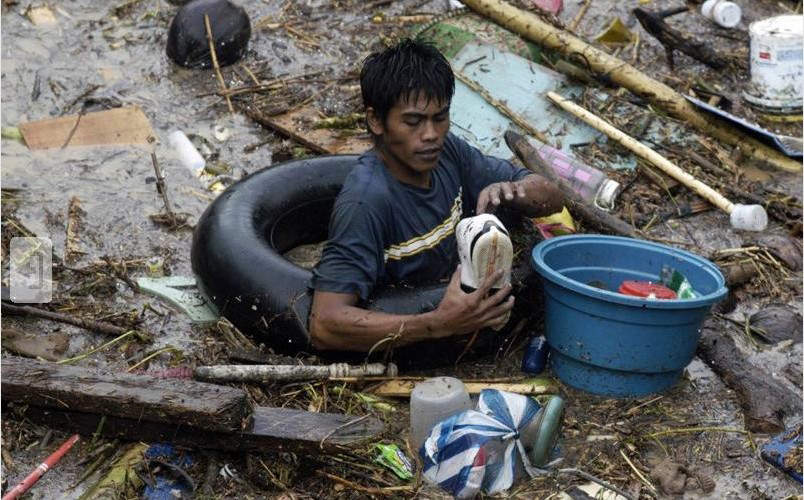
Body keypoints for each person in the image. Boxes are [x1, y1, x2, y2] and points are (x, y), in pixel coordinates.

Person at [309, 39, 563, 352]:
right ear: (376, 121)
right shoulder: (366, 202)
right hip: (412, 328)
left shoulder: (449, 152)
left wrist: (514, 192)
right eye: (413, 122)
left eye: (440, 117)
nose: (430, 134)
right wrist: (435, 324)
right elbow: (324, 324)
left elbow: (553, 196)